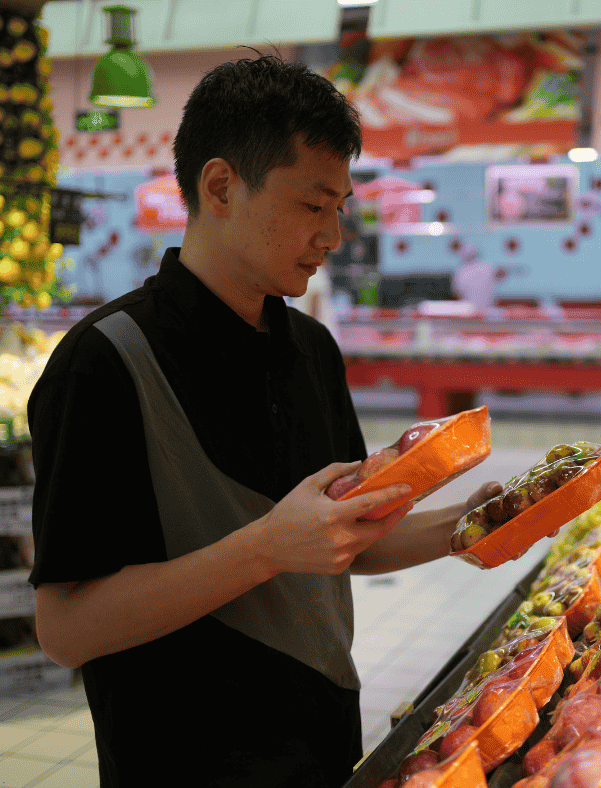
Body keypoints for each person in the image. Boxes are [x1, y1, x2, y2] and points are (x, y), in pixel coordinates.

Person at [27, 55, 502, 788]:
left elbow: (340, 538)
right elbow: (64, 629)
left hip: (323, 741)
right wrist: (266, 548)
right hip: (180, 764)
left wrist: (465, 526)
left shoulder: (310, 348)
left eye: (340, 207)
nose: (334, 236)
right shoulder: (106, 362)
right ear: (221, 186)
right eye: (314, 206)